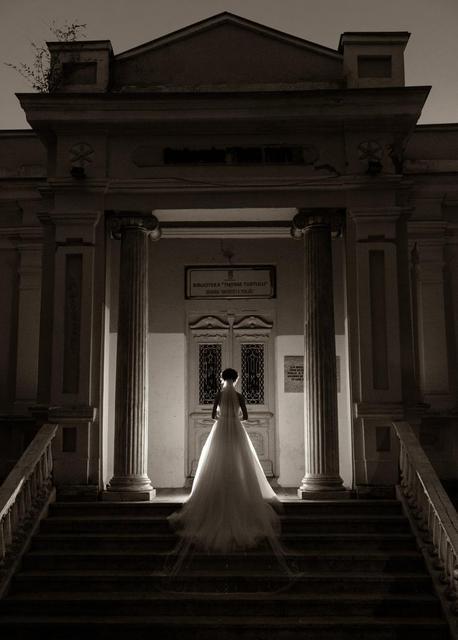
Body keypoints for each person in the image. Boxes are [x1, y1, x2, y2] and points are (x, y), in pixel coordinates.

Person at [168, 368, 282, 555]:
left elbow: (213, 416)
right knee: (239, 460)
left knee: (217, 459)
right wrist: (234, 420)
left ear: (222, 379)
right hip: (236, 430)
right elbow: (245, 417)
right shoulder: (239, 396)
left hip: (220, 430)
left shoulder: (219, 395)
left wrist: (223, 419)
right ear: (236, 380)